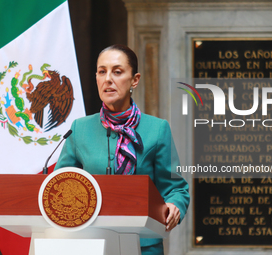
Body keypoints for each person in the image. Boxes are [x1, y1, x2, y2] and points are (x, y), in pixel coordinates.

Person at [54, 44, 190, 255]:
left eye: (117, 72)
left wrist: (174, 206)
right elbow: (60, 185)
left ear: (134, 80)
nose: (108, 78)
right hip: (89, 243)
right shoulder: (79, 129)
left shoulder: (157, 128)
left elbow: (175, 187)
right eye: (102, 71)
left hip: (143, 245)